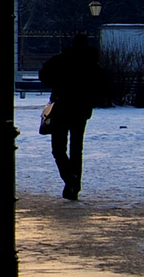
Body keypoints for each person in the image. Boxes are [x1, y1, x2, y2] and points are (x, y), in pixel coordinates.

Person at [39, 34, 104, 200]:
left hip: (62, 106)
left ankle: (69, 177)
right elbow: (101, 84)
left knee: (58, 148)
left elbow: (44, 75)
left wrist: (58, 85)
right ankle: (74, 185)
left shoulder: (61, 59)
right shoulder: (92, 62)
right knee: (76, 148)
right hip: (81, 109)